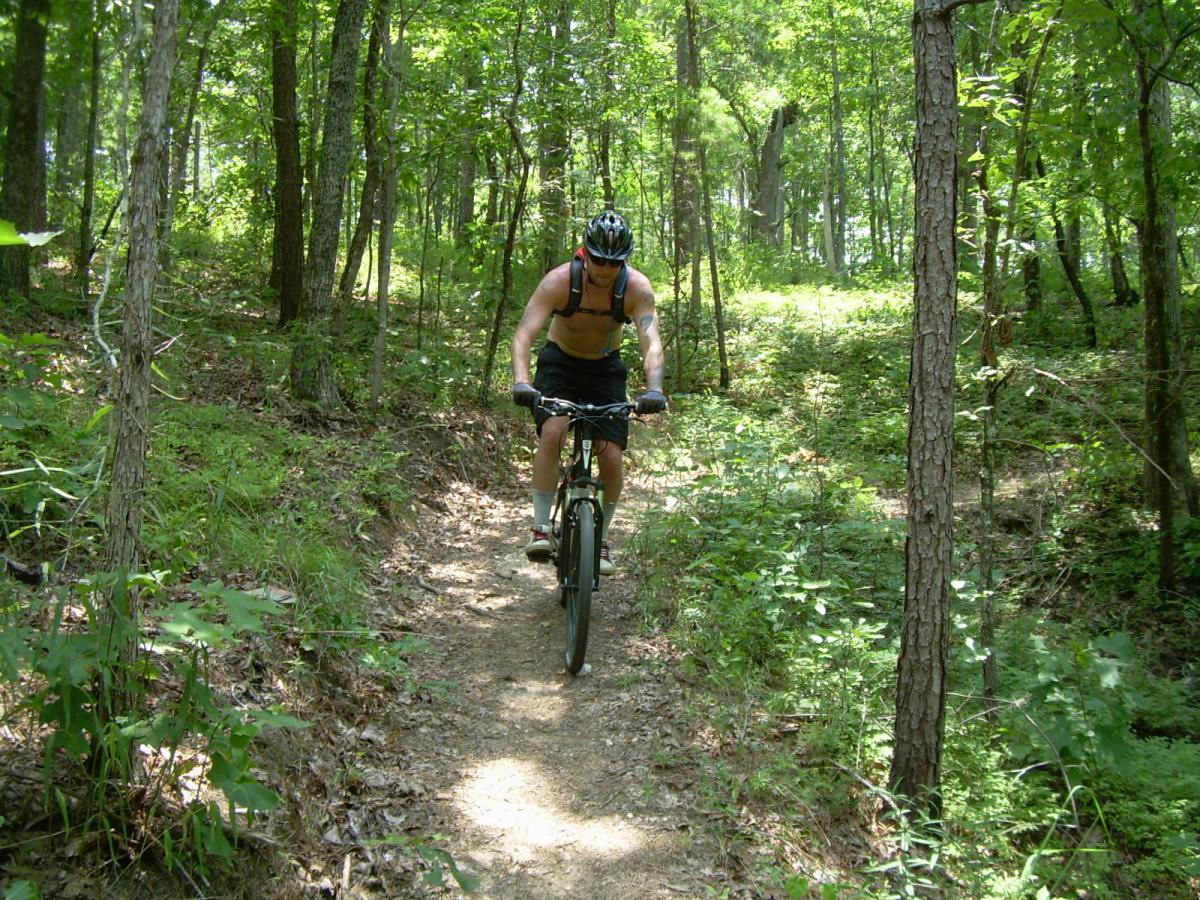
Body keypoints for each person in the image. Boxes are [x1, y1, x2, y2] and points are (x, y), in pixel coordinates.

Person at [510, 210, 667, 575]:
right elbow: (524, 334)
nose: (605, 268)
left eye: (614, 262)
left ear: (625, 260)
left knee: (610, 456)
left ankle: (602, 539)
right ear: (585, 252)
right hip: (560, 363)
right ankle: (540, 526)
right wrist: (522, 382)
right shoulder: (559, 282)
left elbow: (651, 342)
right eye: (598, 259)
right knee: (553, 429)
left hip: (605, 368)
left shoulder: (636, 289)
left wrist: (654, 388)